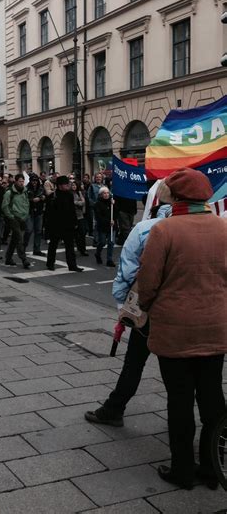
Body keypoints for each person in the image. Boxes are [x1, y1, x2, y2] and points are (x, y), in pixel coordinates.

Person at [137, 168, 227, 491]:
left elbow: (147, 284)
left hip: (175, 332)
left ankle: (182, 471)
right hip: (215, 330)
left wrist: (144, 308)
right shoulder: (222, 228)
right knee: (213, 400)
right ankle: (213, 467)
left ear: (175, 198)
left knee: (179, 401)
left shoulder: (164, 230)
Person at [84, 181, 173, 428]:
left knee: (135, 361)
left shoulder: (146, 229)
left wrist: (124, 306)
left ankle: (114, 408)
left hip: (150, 309)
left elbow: (128, 269)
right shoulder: (213, 228)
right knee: (182, 373)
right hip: (190, 313)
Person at [45, 175, 84, 272]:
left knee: (70, 246)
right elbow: (48, 213)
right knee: (53, 245)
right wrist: (48, 227)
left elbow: (72, 210)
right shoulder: (53, 196)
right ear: (60, 185)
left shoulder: (69, 195)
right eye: (66, 184)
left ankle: (72, 265)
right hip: (56, 224)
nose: (68, 186)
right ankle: (50, 263)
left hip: (68, 224)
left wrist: (75, 222)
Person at [1, 173, 31, 269]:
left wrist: (26, 213)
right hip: (14, 218)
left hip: (23, 217)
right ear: (16, 181)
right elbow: (4, 206)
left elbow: (26, 203)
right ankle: (24, 259)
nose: (22, 183)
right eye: (20, 181)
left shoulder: (25, 192)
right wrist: (11, 216)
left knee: (15, 238)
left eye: (23, 181)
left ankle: (8, 258)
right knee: (19, 238)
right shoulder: (9, 192)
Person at [24, 174, 46, 256]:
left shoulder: (40, 188)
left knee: (38, 231)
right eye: (33, 180)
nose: (34, 182)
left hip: (39, 211)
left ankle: (37, 249)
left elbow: (44, 195)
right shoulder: (26, 189)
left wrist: (42, 198)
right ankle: (23, 247)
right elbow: (24, 199)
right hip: (30, 211)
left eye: (36, 181)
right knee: (29, 230)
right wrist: (32, 200)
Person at [94, 186, 115, 267]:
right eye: (104, 193)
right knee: (102, 242)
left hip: (112, 226)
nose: (106, 195)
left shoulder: (111, 203)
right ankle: (97, 253)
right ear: (101, 194)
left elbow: (115, 213)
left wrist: (114, 205)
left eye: (107, 193)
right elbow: (98, 217)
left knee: (111, 242)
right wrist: (107, 221)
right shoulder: (98, 204)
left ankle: (109, 259)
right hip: (103, 226)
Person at [88, 173, 107, 244]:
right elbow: (89, 197)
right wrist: (94, 204)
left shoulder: (105, 186)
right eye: (97, 177)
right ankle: (96, 240)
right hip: (96, 208)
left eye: (100, 177)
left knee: (103, 223)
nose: (98, 178)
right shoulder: (92, 186)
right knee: (96, 224)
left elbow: (108, 195)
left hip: (104, 208)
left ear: (102, 178)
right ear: (95, 178)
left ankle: (102, 239)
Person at [71, 180, 89, 256]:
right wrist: (78, 202)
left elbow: (83, 202)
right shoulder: (70, 194)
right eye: (72, 185)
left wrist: (77, 202)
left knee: (82, 233)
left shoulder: (79, 193)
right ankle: (74, 250)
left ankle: (83, 249)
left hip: (80, 215)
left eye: (75, 185)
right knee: (74, 234)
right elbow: (72, 203)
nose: (74, 187)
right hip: (73, 216)